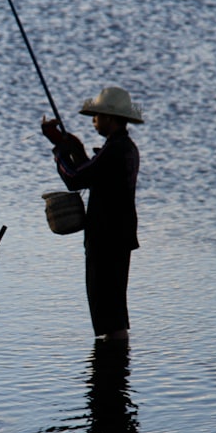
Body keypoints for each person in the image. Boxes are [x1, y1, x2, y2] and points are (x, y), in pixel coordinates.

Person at [41, 86, 144, 341]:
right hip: (117, 235)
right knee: (113, 306)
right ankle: (116, 365)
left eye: (97, 115)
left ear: (110, 118)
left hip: (106, 237)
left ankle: (112, 366)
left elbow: (75, 179)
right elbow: (92, 174)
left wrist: (59, 152)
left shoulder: (115, 150)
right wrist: (75, 149)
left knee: (106, 308)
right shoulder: (124, 147)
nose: (94, 120)